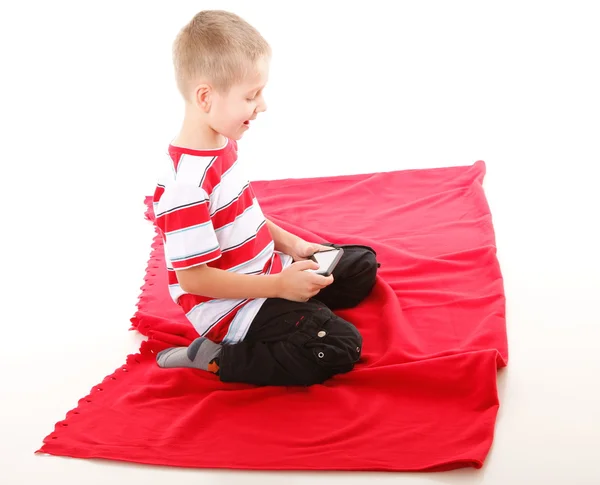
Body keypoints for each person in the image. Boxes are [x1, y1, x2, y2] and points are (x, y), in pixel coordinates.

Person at [153, 10, 378, 386]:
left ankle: (301, 311)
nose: (262, 106)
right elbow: (193, 280)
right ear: (206, 97)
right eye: (251, 96)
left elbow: (243, 213)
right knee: (341, 346)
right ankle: (217, 358)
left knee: (360, 266)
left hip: (268, 271)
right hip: (235, 306)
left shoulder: (222, 144)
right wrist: (277, 288)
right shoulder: (184, 187)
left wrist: (297, 247)